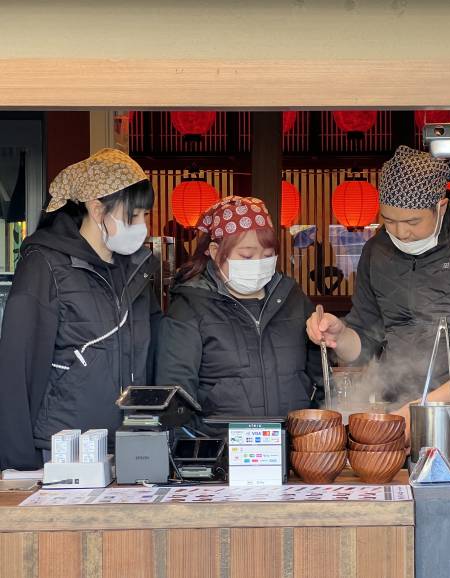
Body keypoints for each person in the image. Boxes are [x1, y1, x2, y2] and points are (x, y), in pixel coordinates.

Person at [306, 146, 450, 454]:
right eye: (389, 220)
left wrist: (429, 405)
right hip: (400, 410)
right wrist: (339, 335)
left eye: (412, 222)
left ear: (440, 205)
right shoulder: (377, 251)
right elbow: (366, 339)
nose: (401, 232)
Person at [0, 149, 159, 469]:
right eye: (134, 215)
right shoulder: (44, 265)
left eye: (145, 215)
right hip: (62, 451)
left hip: (130, 445)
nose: (142, 225)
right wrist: (18, 460)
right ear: (97, 208)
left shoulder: (137, 272)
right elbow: (16, 368)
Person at [155, 196, 322, 428]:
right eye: (246, 255)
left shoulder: (292, 298)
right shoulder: (189, 307)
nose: (258, 263)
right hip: (222, 454)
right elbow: (175, 401)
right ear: (214, 251)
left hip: (295, 449)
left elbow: (321, 378)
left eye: (267, 255)